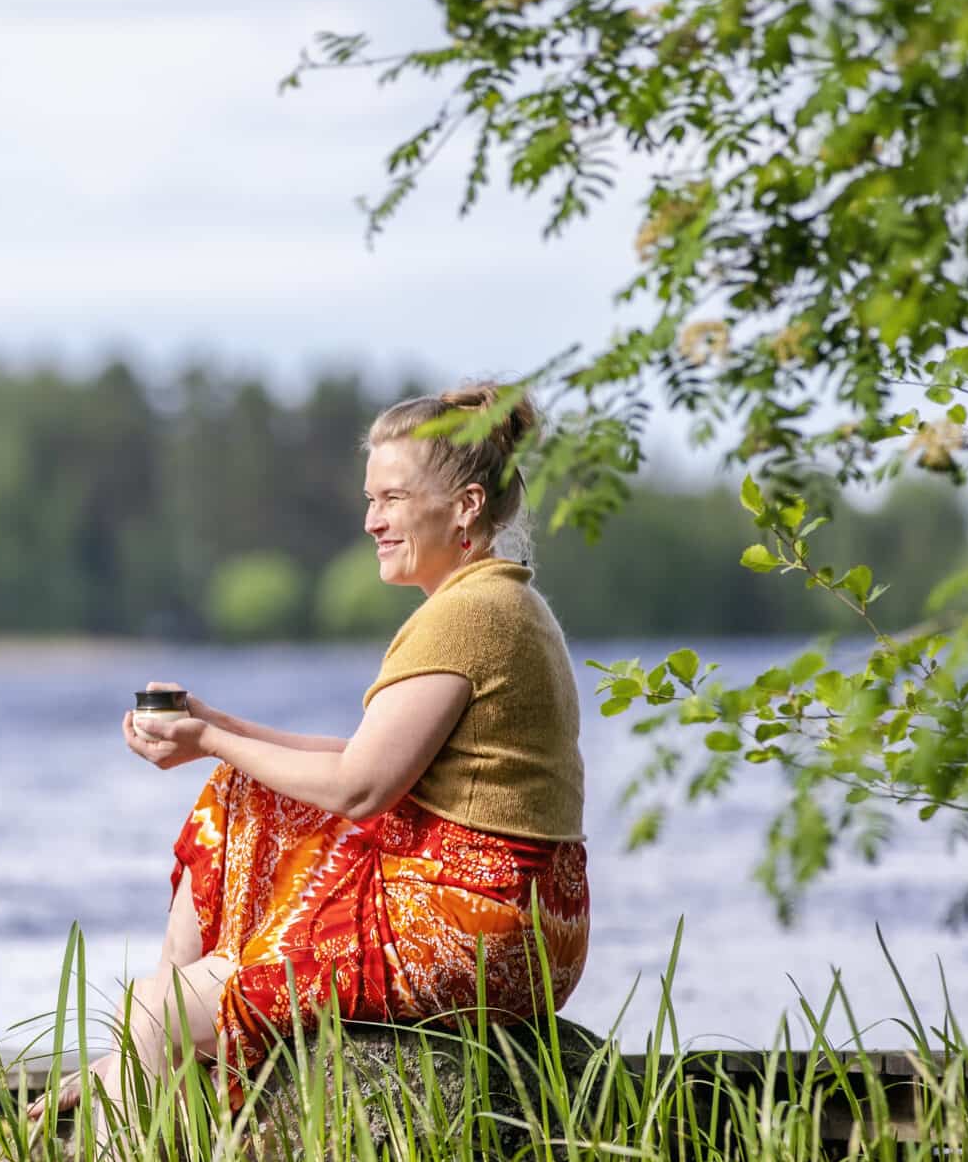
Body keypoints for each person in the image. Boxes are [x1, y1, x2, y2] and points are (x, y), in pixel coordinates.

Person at [42, 382, 589, 1118]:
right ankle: (154, 1041)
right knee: (238, 789)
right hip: (527, 920)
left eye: (392, 499)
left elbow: (361, 787)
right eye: (371, 500)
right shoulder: (499, 599)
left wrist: (210, 738)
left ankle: (148, 1056)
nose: (372, 520)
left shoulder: (466, 615)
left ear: (465, 505)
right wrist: (214, 726)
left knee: (152, 1004)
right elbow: (365, 756)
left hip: (472, 929)